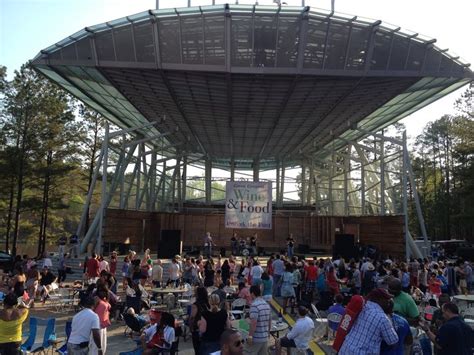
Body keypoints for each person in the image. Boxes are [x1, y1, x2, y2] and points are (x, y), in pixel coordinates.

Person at [339, 288, 398, 355]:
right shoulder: (383, 318)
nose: (388, 302)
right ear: (379, 299)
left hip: (345, 349)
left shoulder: (362, 307)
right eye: (387, 299)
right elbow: (393, 341)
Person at [245, 285, 271, 355]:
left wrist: (250, 336)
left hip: (256, 338)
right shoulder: (266, 304)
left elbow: (253, 323)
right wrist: (268, 333)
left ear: (252, 294)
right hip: (265, 337)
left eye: (250, 294)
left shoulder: (254, 305)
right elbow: (269, 321)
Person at [90, 288, 111, 355]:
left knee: (103, 345)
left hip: (103, 326)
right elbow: (92, 310)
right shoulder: (96, 299)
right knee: (95, 347)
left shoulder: (104, 300)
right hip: (97, 325)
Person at [189, 286, 210, 354]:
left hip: (197, 329)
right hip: (207, 328)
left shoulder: (195, 305)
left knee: (197, 349)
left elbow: (192, 317)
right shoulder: (208, 304)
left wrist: (191, 328)